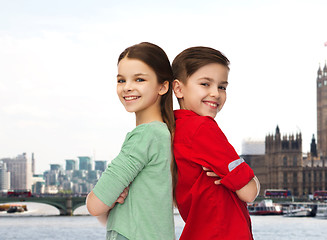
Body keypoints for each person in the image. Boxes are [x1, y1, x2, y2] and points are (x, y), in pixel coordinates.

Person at [86, 42, 176, 240]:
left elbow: (95, 205)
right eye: (121, 80)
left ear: (163, 86)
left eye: (139, 79)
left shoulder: (144, 136)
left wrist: (106, 197)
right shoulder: (165, 134)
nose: (127, 88)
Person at [171, 46, 260, 240]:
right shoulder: (203, 128)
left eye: (222, 87)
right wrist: (248, 177)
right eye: (205, 84)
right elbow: (249, 191)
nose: (216, 93)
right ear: (178, 88)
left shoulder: (174, 129)